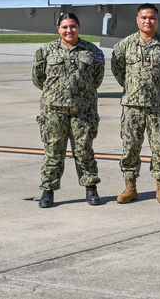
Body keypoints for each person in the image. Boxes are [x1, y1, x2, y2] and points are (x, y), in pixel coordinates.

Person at [110, 4, 160, 204]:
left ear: (157, 20)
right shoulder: (124, 45)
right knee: (130, 147)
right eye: (143, 17)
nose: (147, 21)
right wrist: (131, 87)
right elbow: (118, 69)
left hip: (158, 106)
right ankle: (130, 187)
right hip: (132, 106)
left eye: (151, 18)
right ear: (137, 20)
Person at [32, 12, 105, 208]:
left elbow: (96, 79)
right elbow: (38, 79)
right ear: (58, 29)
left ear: (79, 28)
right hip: (54, 112)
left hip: (83, 111)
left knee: (84, 152)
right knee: (53, 152)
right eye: (64, 27)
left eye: (72, 26)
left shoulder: (92, 51)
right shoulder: (46, 51)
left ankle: (91, 189)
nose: (69, 30)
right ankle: (48, 191)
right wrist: (56, 94)